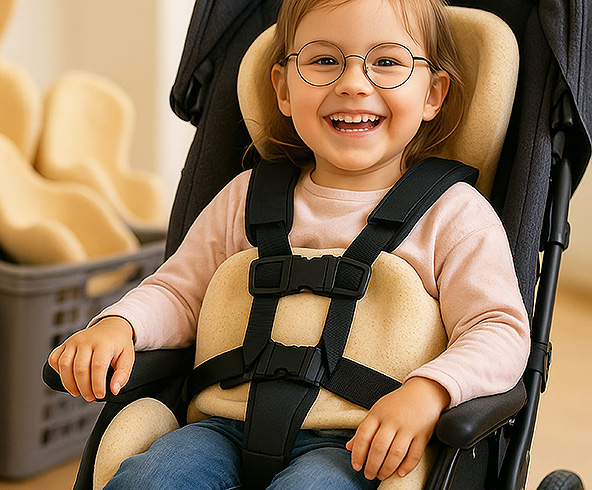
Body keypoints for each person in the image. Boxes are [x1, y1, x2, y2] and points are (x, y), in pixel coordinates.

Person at [47, 0, 530, 487]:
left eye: (387, 61)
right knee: (151, 478)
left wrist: (430, 393)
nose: (353, 84)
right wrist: (119, 325)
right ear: (282, 88)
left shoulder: (452, 213)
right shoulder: (247, 197)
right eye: (324, 60)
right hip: (220, 428)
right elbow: (178, 292)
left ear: (434, 93)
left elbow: (498, 328)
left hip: (355, 445)